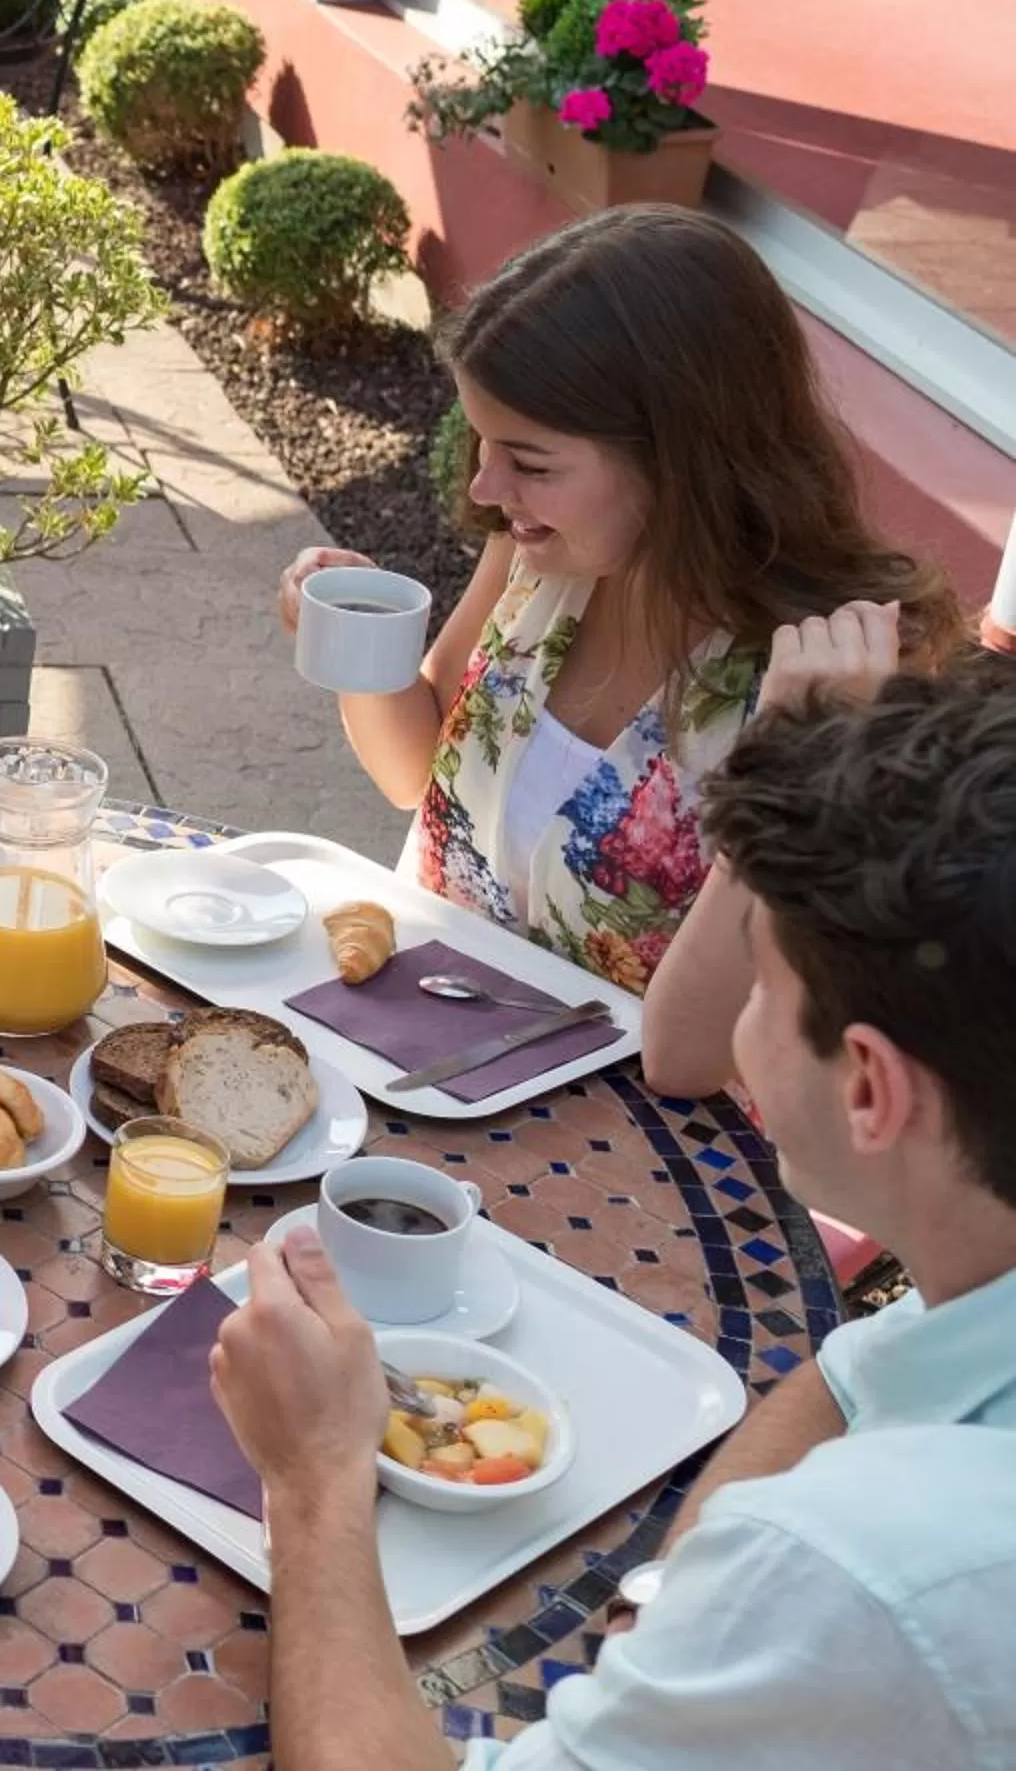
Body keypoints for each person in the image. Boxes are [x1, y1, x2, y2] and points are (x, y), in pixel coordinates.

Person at [208, 656, 1016, 1771]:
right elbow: (854, 1370)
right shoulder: (981, 1261)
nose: (740, 1032)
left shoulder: (854, 1571)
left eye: (762, 990)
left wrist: (312, 1480)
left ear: (871, 1087)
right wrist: (685, 1605)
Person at [274, 205, 960, 1096]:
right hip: (410, 1061)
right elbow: (417, 772)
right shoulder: (536, 552)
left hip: (637, 1153)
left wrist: (800, 762)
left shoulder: (842, 674)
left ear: (681, 460)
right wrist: (357, 644)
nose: (486, 486)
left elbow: (699, 1061)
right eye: (484, 443)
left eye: (531, 460)